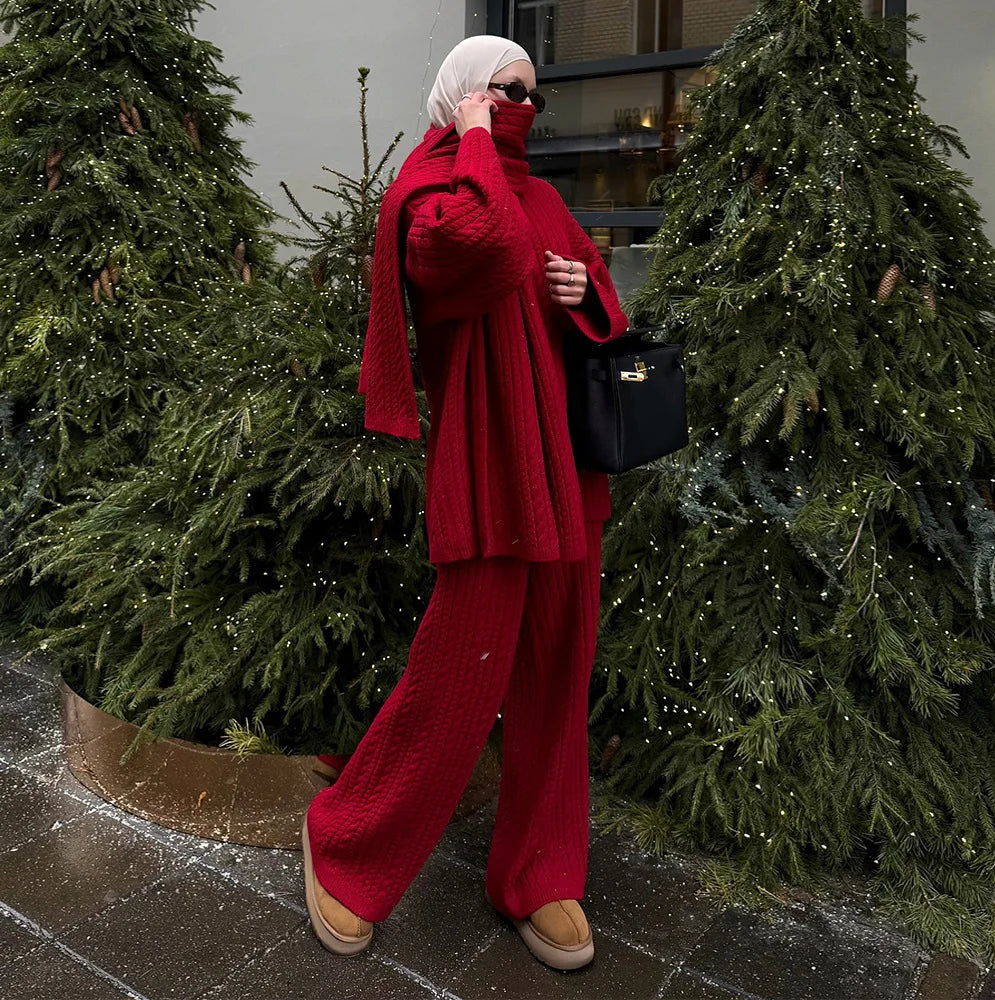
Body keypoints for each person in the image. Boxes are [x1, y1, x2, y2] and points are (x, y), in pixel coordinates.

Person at [302, 34, 629, 972]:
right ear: (458, 95)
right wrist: (478, 135)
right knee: (461, 667)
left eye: (530, 92)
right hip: (488, 465)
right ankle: (348, 841)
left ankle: (541, 872)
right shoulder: (431, 186)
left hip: (567, 468)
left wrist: (584, 289)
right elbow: (474, 250)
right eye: (499, 89)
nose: (519, 103)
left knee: (559, 665)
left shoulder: (543, 196)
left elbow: (598, 301)